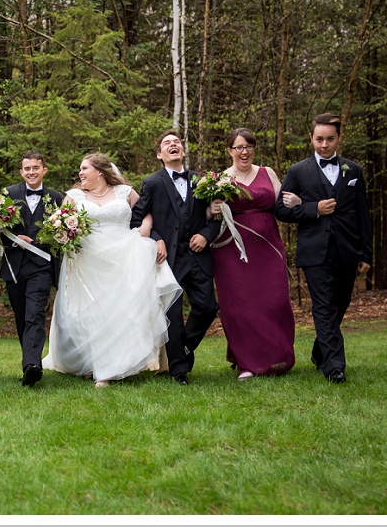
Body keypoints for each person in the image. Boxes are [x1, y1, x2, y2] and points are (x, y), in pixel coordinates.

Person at [43, 153, 181, 388]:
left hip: (122, 256)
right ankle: (95, 364)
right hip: (88, 260)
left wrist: (145, 227)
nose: (80, 173)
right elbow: (60, 222)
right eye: (80, 168)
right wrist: (63, 233)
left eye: (84, 168)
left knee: (119, 310)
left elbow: (145, 212)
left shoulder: (124, 192)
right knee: (92, 313)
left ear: (100, 171)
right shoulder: (75, 196)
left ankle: (116, 365)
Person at [275, 113, 372, 384]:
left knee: (340, 305)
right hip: (314, 251)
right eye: (319, 139)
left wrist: (365, 253)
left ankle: (320, 351)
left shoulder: (353, 171)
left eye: (330, 139)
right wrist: (312, 209)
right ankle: (334, 366)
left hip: (347, 249)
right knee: (323, 306)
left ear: (338, 138)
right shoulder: (298, 171)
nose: (324, 145)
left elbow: (362, 214)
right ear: (311, 138)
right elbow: (280, 210)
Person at [130, 130, 222, 386]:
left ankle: (184, 349)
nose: (173, 145)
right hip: (168, 258)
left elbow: (215, 219)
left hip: (198, 255)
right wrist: (156, 238)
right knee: (172, 314)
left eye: (177, 142)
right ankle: (178, 371)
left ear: (182, 150)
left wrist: (206, 235)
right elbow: (137, 220)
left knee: (207, 307)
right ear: (160, 154)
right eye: (167, 144)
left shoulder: (202, 181)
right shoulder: (152, 183)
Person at [211, 128, 295, 381]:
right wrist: (211, 209)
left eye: (249, 146)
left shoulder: (267, 173)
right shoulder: (220, 179)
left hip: (268, 246)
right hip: (232, 250)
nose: (244, 151)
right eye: (238, 147)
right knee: (240, 305)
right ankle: (247, 363)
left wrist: (298, 203)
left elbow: (283, 205)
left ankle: (277, 357)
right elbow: (210, 216)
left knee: (274, 300)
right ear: (230, 151)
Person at [0, 151, 63, 387]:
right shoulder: (7, 194)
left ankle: (33, 366)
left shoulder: (57, 198)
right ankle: (29, 361)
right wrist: (14, 239)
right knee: (21, 316)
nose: (31, 172)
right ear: (21, 172)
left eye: (36, 168)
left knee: (35, 313)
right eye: (27, 169)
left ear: (44, 170)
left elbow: (64, 234)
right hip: (15, 266)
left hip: (42, 266)